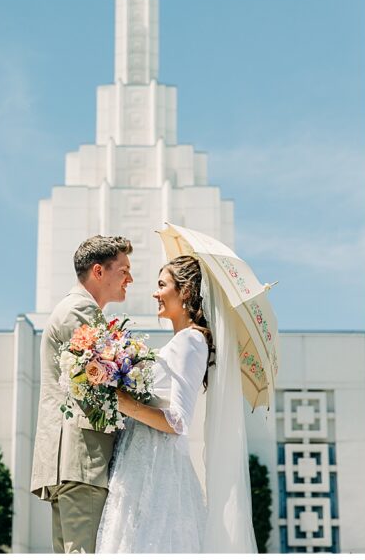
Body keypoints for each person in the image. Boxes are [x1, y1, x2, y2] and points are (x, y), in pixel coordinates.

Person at [95, 255, 257, 553]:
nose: (155, 293)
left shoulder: (190, 341)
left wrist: (122, 402)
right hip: (144, 461)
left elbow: (178, 421)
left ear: (185, 291)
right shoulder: (184, 341)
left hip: (156, 468)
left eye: (162, 285)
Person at [30, 235, 134, 553]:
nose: (131, 278)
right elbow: (104, 383)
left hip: (71, 459)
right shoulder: (80, 311)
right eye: (124, 270)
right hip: (81, 455)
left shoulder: (75, 309)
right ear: (99, 271)